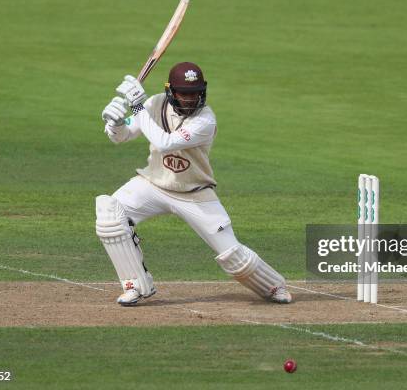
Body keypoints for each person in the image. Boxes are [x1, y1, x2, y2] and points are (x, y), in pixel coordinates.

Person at [96, 62, 292, 306]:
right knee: (109, 212)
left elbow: (166, 142)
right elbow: (123, 137)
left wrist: (136, 107)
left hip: (194, 193)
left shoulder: (206, 120)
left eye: (195, 93)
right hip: (154, 184)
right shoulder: (154, 104)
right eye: (184, 93)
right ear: (170, 91)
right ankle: (135, 286)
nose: (190, 99)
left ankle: (273, 286)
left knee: (234, 256)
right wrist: (115, 124)